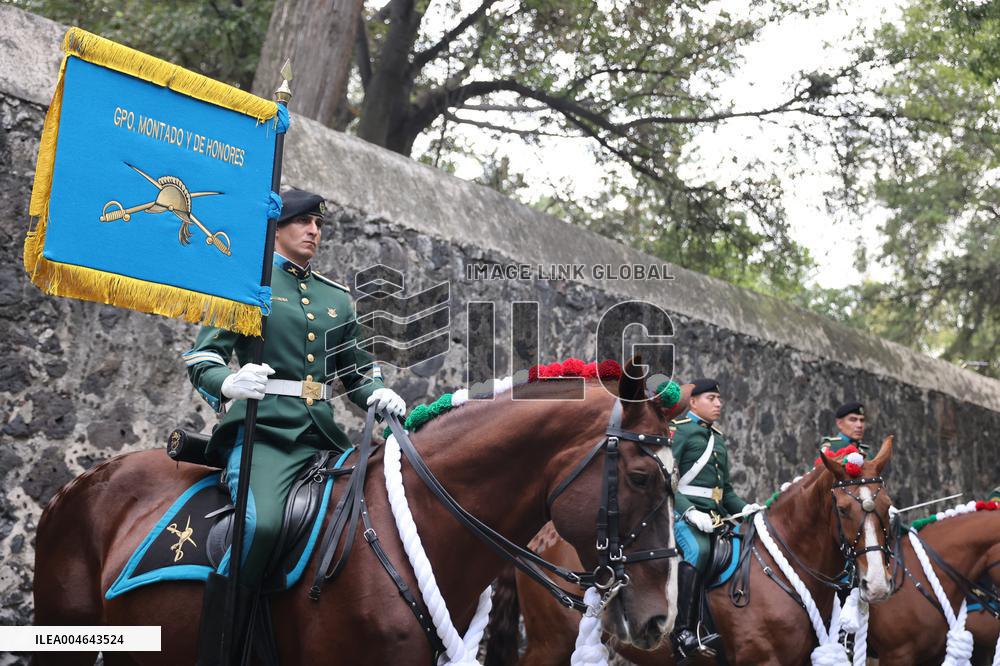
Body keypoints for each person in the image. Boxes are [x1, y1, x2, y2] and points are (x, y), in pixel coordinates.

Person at [183, 188, 406, 662]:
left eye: (319, 224)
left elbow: (356, 372)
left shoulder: (336, 299)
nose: (314, 231)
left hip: (323, 438)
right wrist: (230, 383)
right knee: (260, 525)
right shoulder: (248, 282)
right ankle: (221, 650)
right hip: (263, 433)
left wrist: (377, 392)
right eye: (303, 221)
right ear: (277, 228)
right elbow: (203, 358)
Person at [669, 378, 761, 662]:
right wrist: (689, 512)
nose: (718, 404)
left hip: (716, 518)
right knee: (698, 550)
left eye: (719, 399)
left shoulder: (718, 438)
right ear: (693, 402)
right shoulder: (680, 431)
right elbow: (666, 480)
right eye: (711, 398)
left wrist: (747, 509)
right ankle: (683, 631)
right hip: (681, 513)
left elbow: (725, 492)